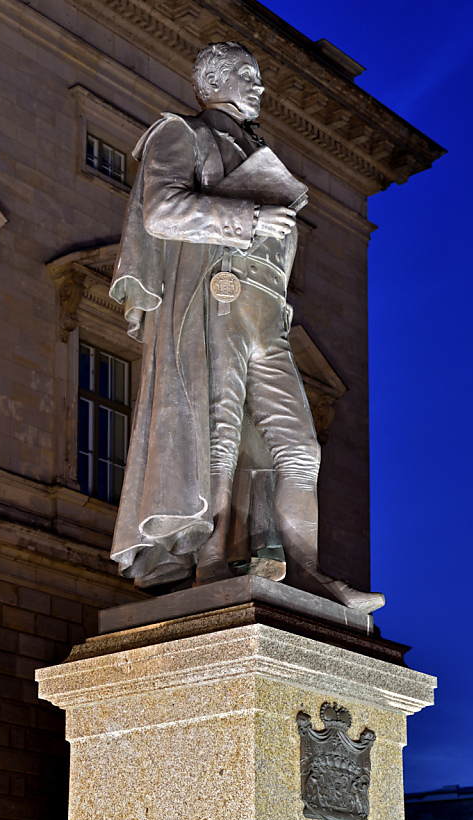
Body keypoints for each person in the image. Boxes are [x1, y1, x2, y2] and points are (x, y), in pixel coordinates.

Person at [109, 41, 384, 613]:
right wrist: (250, 215)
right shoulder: (179, 134)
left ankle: (307, 571)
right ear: (210, 81)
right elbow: (161, 210)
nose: (258, 87)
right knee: (219, 437)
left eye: (258, 78)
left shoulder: (258, 151)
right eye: (245, 76)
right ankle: (211, 562)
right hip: (214, 305)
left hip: (266, 320)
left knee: (301, 448)